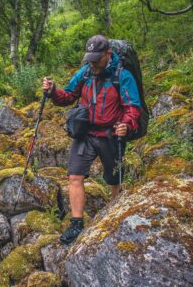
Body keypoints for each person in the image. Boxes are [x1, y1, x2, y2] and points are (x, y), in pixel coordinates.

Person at [42, 35, 142, 244]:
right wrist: (52, 92)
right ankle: (76, 225)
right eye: (90, 58)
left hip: (111, 135)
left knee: (114, 180)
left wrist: (127, 124)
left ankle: (117, 217)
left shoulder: (122, 76)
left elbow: (133, 107)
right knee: (74, 176)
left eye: (97, 58)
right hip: (85, 134)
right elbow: (68, 96)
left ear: (107, 54)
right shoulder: (85, 72)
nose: (93, 63)